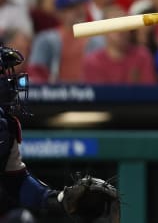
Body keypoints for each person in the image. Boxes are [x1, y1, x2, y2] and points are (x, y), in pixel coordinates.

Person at [0, 46, 118, 220]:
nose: (9, 81)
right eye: (1, 74)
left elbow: (16, 181)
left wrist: (59, 199)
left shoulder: (6, 125)